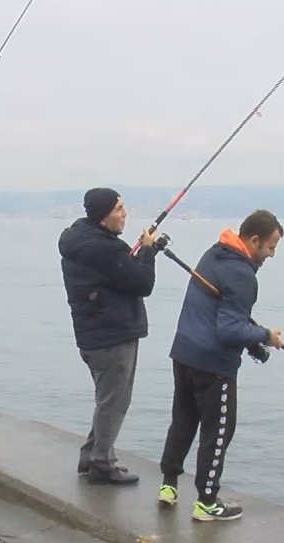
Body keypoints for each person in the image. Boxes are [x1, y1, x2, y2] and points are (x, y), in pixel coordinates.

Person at [157, 210, 282, 521]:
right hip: (214, 365)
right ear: (254, 241)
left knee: (183, 420)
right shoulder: (243, 275)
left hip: (184, 352)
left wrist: (252, 340)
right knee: (220, 431)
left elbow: (222, 313)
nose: (272, 255)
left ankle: (168, 485)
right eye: (270, 247)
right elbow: (228, 329)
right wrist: (266, 336)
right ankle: (207, 501)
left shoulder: (213, 254)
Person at [59, 188, 159, 485]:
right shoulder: (106, 249)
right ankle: (102, 464)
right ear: (103, 216)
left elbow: (116, 272)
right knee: (114, 402)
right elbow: (142, 283)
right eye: (119, 209)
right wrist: (149, 251)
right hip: (112, 336)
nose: (124, 214)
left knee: (106, 399)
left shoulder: (79, 239)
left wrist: (136, 252)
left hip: (92, 334)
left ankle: (92, 454)